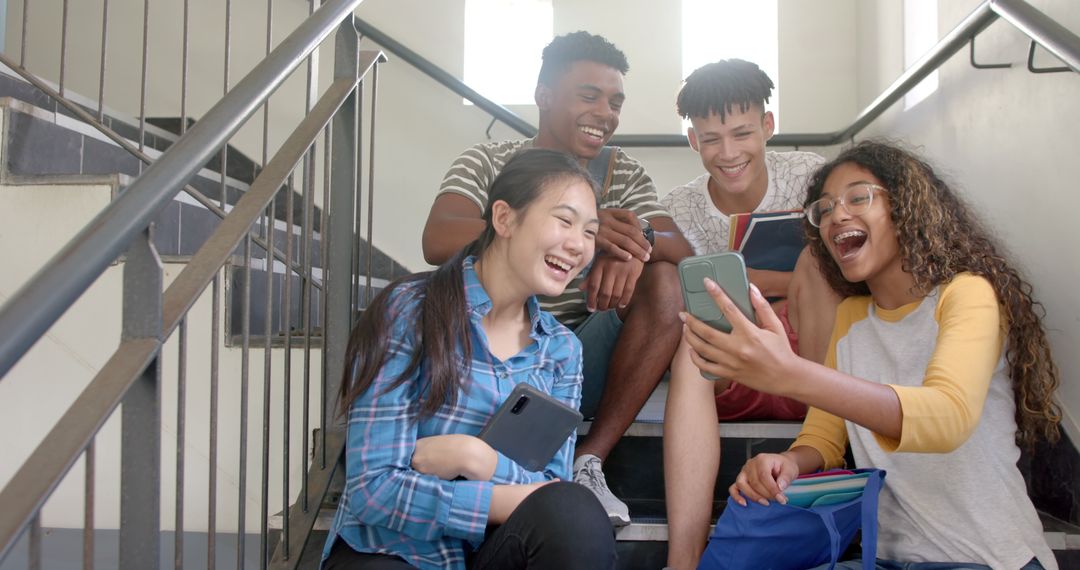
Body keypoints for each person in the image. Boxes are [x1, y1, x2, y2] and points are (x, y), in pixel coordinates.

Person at [683, 141, 1060, 570]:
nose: (837, 215)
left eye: (858, 198)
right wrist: (786, 462)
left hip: (989, 559)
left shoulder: (966, 294)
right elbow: (824, 438)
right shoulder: (851, 317)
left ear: (906, 209)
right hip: (886, 559)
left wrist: (790, 374)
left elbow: (947, 417)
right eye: (825, 209)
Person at [423, 31, 693, 526]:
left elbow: (680, 245)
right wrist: (570, 227)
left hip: (578, 357)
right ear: (544, 95)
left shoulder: (621, 173)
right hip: (490, 356)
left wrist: (634, 242)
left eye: (615, 102)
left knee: (667, 281)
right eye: (588, 96)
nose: (605, 114)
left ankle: (588, 460)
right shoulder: (489, 161)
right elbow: (439, 236)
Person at [323, 149, 617, 570]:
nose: (578, 245)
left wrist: (476, 459)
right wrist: (509, 493)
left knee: (575, 514)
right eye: (564, 220)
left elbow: (553, 491)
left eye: (590, 232)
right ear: (505, 219)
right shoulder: (409, 310)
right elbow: (374, 489)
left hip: (495, 554)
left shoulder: (561, 349)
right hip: (390, 553)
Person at [661, 59, 841, 567]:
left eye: (742, 133)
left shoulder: (811, 177)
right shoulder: (678, 208)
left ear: (767, 126)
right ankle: (683, 559)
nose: (729, 152)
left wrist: (758, 281)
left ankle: (831, 444)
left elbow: (845, 269)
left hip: (811, 352)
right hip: (734, 358)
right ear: (693, 141)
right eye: (711, 139)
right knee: (692, 343)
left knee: (818, 265)